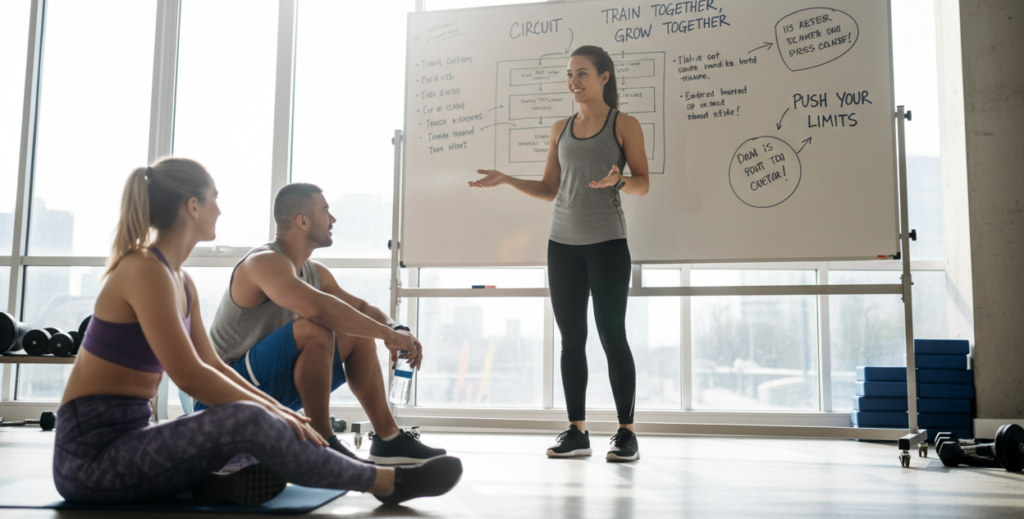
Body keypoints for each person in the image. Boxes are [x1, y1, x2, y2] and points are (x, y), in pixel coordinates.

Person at [54, 157, 462, 506]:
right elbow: (191, 375)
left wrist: (285, 411)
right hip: (90, 459)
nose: (220, 210)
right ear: (192, 206)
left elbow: (209, 362)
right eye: (214, 199)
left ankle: (212, 484)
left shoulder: (180, 281)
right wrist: (275, 413)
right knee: (252, 416)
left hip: (131, 440)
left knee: (264, 414)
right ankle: (387, 484)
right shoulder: (145, 269)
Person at [470, 45, 649, 462]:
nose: (574, 81)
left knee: (612, 336)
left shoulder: (624, 124)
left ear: (604, 77)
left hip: (607, 244)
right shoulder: (560, 128)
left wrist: (618, 182)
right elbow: (550, 190)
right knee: (572, 341)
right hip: (563, 245)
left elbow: (643, 183)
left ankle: (626, 433)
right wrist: (507, 179)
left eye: (582, 73)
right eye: (570, 74)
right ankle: (577, 431)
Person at [196, 182, 445, 466]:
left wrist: (396, 330)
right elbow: (317, 309)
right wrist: (386, 335)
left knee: (356, 329)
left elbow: (360, 308)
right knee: (315, 327)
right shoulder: (264, 262)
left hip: (265, 388)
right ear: (302, 221)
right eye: (326, 211)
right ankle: (323, 444)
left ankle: (389, 440)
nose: (333, 219)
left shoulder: (314, 272)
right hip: (223, 396)